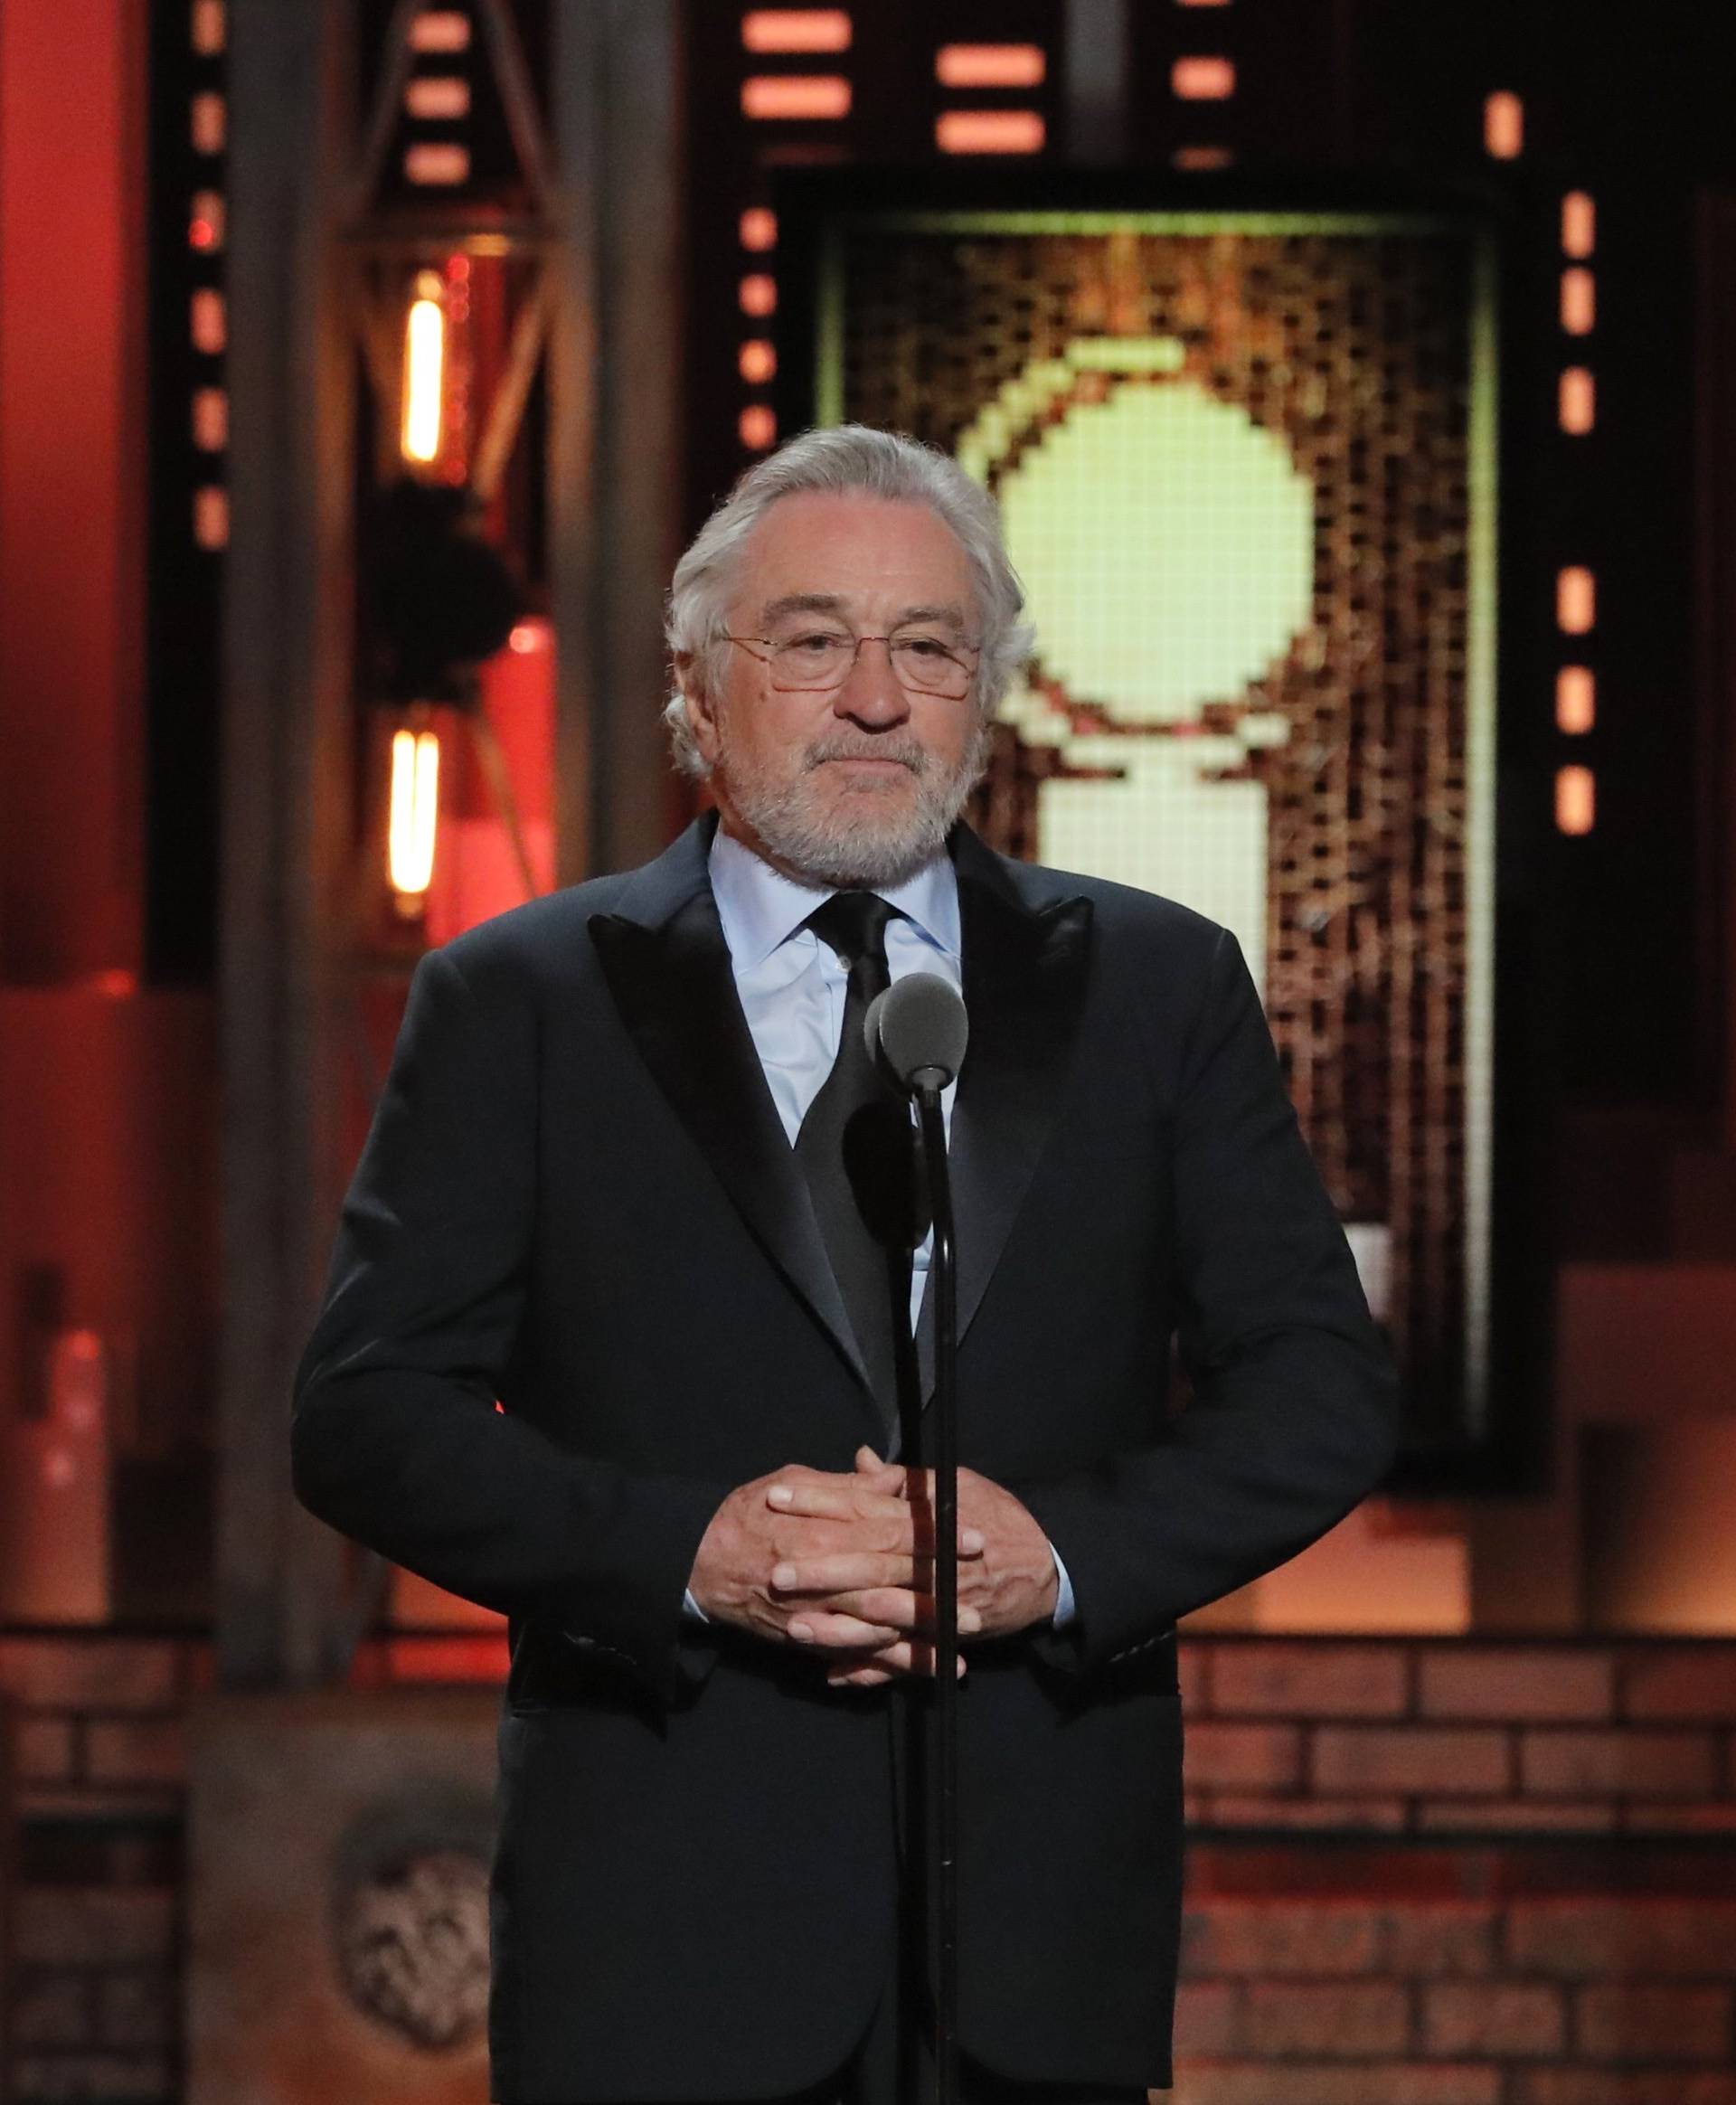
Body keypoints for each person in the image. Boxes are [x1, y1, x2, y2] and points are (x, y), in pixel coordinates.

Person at [291, 424, 1401, 2104]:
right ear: (699, 682)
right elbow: (366, 1415)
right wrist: (693, 1553)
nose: (876, 697)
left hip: (1030, 1953)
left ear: (986, 693)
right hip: (658, 1941)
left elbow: (1322, 1388)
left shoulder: (1159, 987)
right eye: (814, 640)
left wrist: (1061, 1555)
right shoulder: (519, 999)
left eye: (931, 647)